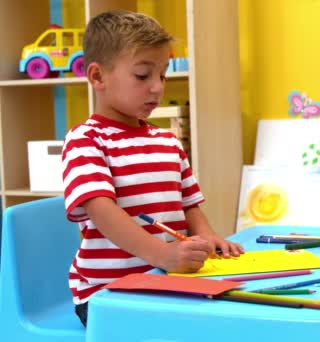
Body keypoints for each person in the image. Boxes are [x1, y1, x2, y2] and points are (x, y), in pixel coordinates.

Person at [61, 10, 244, 327]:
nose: (157, 88)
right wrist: (162, 255)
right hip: (108, 295)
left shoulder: (167, 141)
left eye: (162, 75)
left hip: (166, 282)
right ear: (97, 77)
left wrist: (208, 235)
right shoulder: (86, 140)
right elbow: (103, 212)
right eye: (143, 76)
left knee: (233, 319)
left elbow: (189, 205)